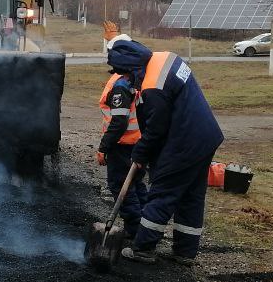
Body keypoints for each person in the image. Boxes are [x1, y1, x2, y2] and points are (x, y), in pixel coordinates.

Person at [105, 39, 224, 266]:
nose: (126, 80)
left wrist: (140, 155)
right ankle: (185, 252)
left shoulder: (152, 88)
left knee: (163, 191)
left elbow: (155, 129)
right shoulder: (164, 59)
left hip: (185, 142)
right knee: (191, 196)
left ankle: (143, 248)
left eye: (126, 75)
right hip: (206, 137)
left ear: (133, 69)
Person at [96, 37, 148, 241]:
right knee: (136, 184)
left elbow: (119, 122)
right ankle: (147, 225)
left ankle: (135, 229)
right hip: (137, 143)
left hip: (122, 145)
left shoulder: (120, 85)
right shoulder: (136, 78)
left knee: (120, 186)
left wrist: (104, 147)